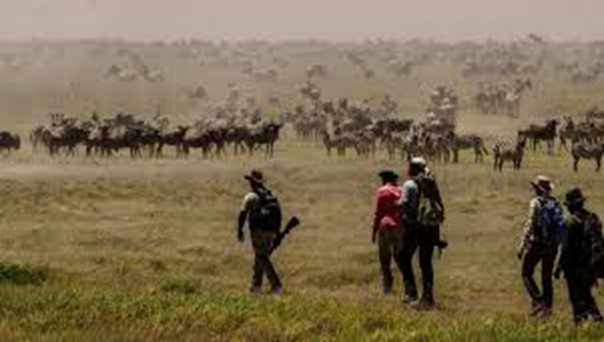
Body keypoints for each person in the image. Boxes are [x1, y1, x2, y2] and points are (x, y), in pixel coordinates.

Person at [399, 157, 445, 308]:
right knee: (426, 263)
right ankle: (428, 297)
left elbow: (404, 204)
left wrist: (396, 205)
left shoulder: (409, 184)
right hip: (431, 229)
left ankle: (411, 292)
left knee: (403, 257)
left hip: (413, 228)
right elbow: (439, 207)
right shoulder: (431, 185)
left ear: (412, 168)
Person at [518, 176, 565, 317]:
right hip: (553, 244)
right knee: (546, 276)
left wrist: (522, 245)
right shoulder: (555, 203)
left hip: (538, 243)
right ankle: (548, 308)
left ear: (537, 189)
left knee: (526, 273)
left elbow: (530, 224)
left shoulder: (536, 203)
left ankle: (538, 301)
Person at [555, 187, 603, 324]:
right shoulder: (592, 218)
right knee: (586, 295)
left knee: (576, 298)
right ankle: (597, 321)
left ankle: (581, 324)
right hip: (591, 266)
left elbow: (566, 249)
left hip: (575, 268)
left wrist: (559, 267)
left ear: (571, 205)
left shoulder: (570, 222)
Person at [238, 170, 283, 294]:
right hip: (271, 230)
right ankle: (256, 286)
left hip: (258, 231)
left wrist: (240, 230)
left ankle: (276, 285)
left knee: (262, 257)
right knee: (260, 257)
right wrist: (277, 233)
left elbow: (242, 214)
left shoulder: (251, 196)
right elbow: (279, 215)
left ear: (252, 182)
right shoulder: (271, 195)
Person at [372, 169, 405, 295]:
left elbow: (378, 213)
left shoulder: (382, 191)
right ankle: (409, 285)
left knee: (384, 258)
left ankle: (387, 287)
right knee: (400, 257)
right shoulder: (402, 190)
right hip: (400, 226)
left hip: (385, 225)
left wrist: (374, 230)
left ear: (384, 180)